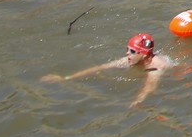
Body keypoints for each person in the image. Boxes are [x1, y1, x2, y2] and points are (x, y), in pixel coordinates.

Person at [41, 33, 174, 109]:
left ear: (144, 55)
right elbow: (100, 67)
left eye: (132, 51)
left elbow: (150, 86)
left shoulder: (157, 67)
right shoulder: (129, 60)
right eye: (127, 49)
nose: (127, 53)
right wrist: (67, 78)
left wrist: (138, 101)